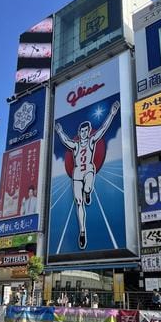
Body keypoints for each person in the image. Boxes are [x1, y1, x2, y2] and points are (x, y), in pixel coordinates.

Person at [55, 100, 120, 250]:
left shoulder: (91, 141)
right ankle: (82, 232)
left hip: (89, 169)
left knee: (88, 185)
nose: (83, 133)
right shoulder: (76, 145)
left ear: (88, 131)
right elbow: (65, 140)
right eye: (81, 131)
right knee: (79, 202)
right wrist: (59, 131)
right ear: (79, 133)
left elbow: (103, 129)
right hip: (77, 173)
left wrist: (112, 113)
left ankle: (88, 191)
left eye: (86, 131)